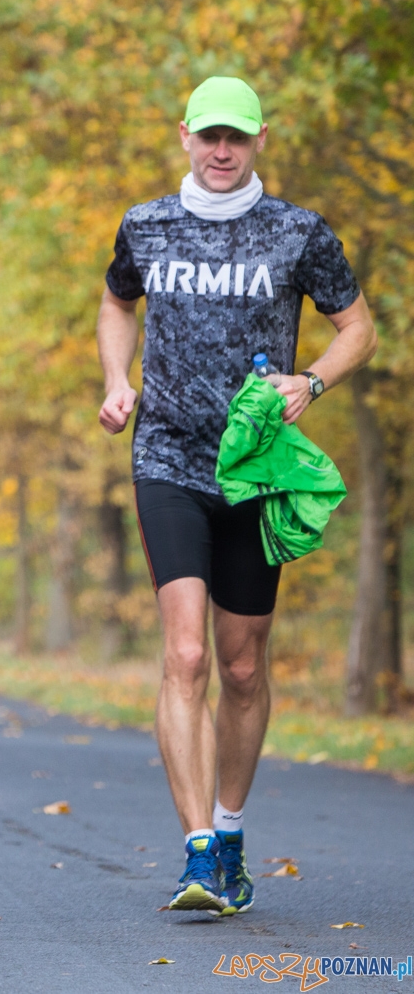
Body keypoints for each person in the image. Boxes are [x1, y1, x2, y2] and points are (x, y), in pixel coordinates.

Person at [96, 77, 376, 916]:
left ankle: (232, 823)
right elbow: (116, 300)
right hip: (169, 457)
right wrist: (118, 379)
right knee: (185, 654)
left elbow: (358, 328)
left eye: (238, 138)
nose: (223, 151)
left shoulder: (298, 231)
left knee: (244, 663)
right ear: (184, 135)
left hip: (255, 467)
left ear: (259, 142)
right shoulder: (145, 224)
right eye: (210, 135)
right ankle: (199, 849)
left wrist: (312, 381)